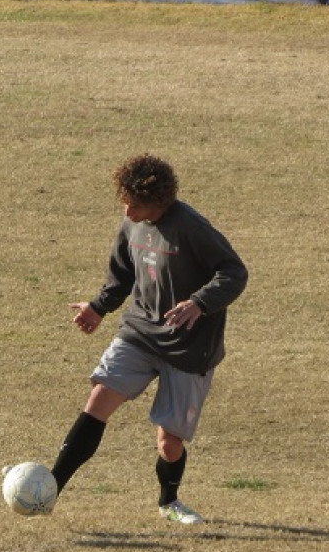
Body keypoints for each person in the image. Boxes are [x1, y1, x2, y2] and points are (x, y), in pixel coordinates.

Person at [52, 154, 248, 524]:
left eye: (136, 205)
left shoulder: (191, 228)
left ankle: (169, 502)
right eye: (125, 202)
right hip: (140, 332)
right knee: (98, 399)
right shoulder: (131, 225)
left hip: (189, 348)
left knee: (169, 443)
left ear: (159, 202)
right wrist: (97, 308)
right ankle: (50, 489)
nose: (128, 212)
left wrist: (199, 303)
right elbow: (122, 273)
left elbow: (234, 272)